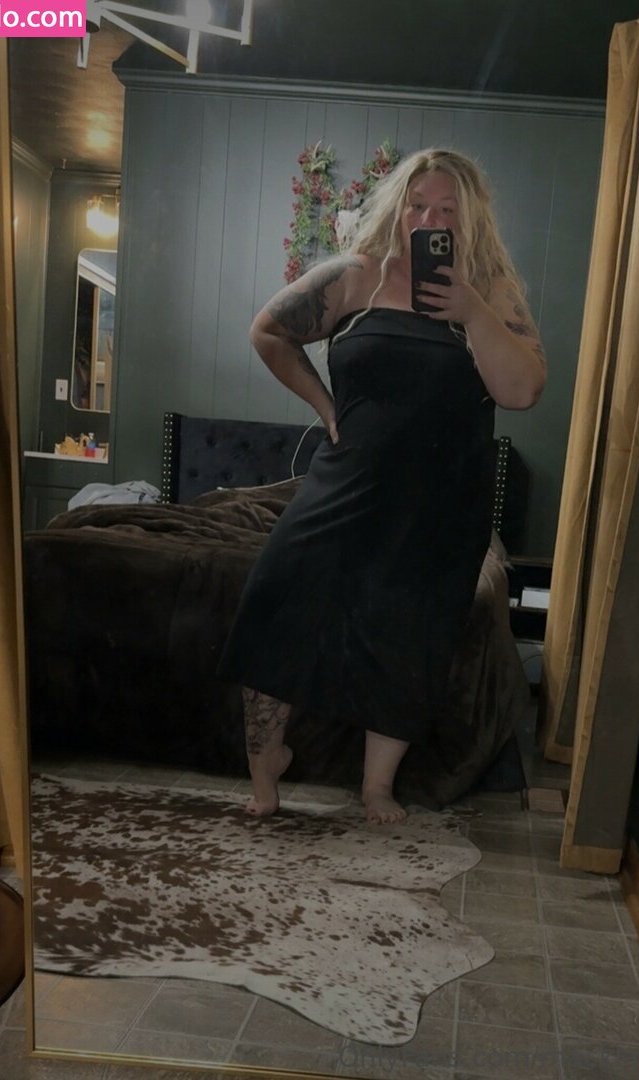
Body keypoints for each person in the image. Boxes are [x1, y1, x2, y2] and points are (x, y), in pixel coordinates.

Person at [217, 148, 546, 824]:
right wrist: (324, 407)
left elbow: (521, 390)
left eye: (446, 210)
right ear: (397, 209)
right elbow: (268, 331)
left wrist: (470, 310)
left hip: (441, 503)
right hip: (347, 483)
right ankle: (265, 767)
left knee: (409, 634)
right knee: (277, 601)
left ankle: (376, 786)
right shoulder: (355, 277)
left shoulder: (490, 294)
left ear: (468, 219)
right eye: (417, 205)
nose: (428, 220)